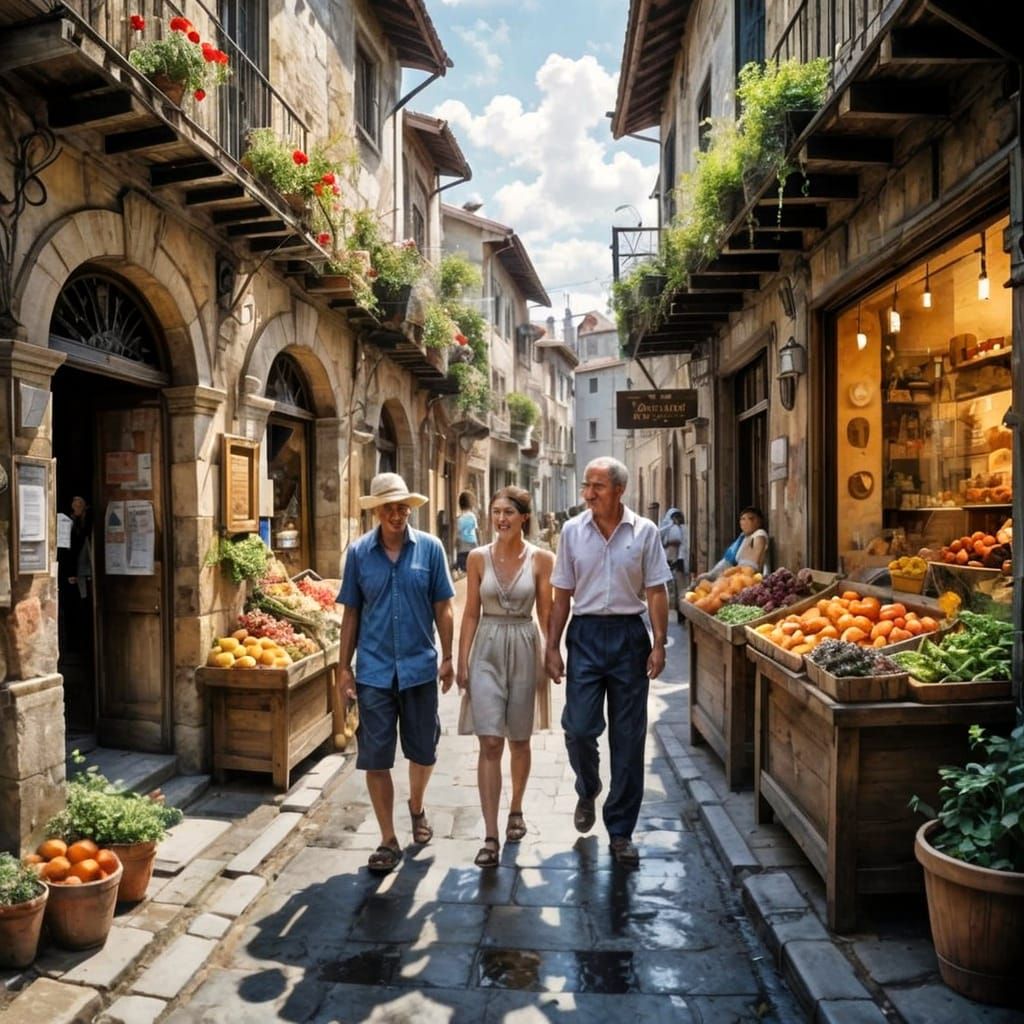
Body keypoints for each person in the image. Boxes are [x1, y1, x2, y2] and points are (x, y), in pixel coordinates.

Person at [544, 456, 671, 868]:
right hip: (584, 635)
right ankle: (588, 785)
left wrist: (659, 643)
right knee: (578, 728)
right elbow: (561, 593)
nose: (588, 494)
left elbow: (656, 591)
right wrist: (552, 645)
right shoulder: (571, 532)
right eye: (587, 486)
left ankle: (620, 832)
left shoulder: (645, 532)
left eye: (597, 487)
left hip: (629, 637)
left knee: (628, 738)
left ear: (619, 490)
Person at [337, 472, 456, 875]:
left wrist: (449, 656)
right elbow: (351, 612)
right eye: (389, 506)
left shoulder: (431, 549)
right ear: (376, 511)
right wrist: (343, 669)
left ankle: (417, 806)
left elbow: (444, 607)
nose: (397, 512)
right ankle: (388, 839)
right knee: (375, 757)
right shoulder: (358, 554)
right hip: (373, 671)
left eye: (402, 505)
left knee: (424, 751)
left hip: (420, 668)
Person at [456, 487, 555, 868]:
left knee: (519, 738)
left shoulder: (542, 559)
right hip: (487, 649)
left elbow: (545, 612)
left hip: (525, 645)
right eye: (496, 512)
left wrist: (553, 652)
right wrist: (461, 658)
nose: (500, 519)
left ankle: (516, 808)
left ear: (524, 517)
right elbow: (469, 613)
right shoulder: (478, 558)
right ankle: (490, 834)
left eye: (509, 512)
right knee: (490, 742)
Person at [698, 506, 769, 582]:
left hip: (745, 578)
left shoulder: (759, 534)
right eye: (742, 519)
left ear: (759, 522)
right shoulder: (743, 538)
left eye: (751, 519)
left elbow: (754, 565)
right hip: (736, 576)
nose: (745, 522)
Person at [659, 507, 689, 610]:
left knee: (681, 586)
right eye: (675, 517)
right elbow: (660, 537)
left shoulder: (683, 529)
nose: (677, 519)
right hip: (668, 559)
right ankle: (670, 606)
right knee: (669, 585)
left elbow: (683, 544)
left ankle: (680, 608)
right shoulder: (666, 528)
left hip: (680, 559)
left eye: (678, 517)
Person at [455, 491, 479, 573]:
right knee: (473, 567)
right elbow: (476, 530)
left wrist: (455, 543)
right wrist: (480, 544)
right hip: (473, 543)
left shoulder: (459, 518)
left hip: (462, 545)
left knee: (463, 568)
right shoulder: (472, 516)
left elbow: (457, 533)